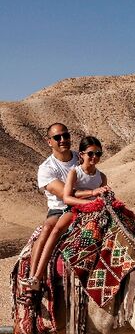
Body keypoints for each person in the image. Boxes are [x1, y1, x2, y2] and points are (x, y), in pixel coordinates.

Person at [30, 136, 110, 286]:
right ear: (82, 154)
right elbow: (67, 198)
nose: (94, 157)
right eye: (91, 153)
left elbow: (101, 198)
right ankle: (36, 276)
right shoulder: (74, 172)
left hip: (94, 212)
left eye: (98, 153)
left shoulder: (102, 177)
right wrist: (90, 200)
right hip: (74, 209)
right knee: (54, 230)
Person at [25, 123, 80, 291]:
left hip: (87, 206)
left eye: (66, 135)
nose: (63, 140)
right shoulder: (46, 168)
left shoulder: (82, 158)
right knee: (48, 228)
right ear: (49, 142)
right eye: (57, 137)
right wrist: (91, 194)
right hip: (60, 209)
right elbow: (65, 195)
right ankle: (34, 280)